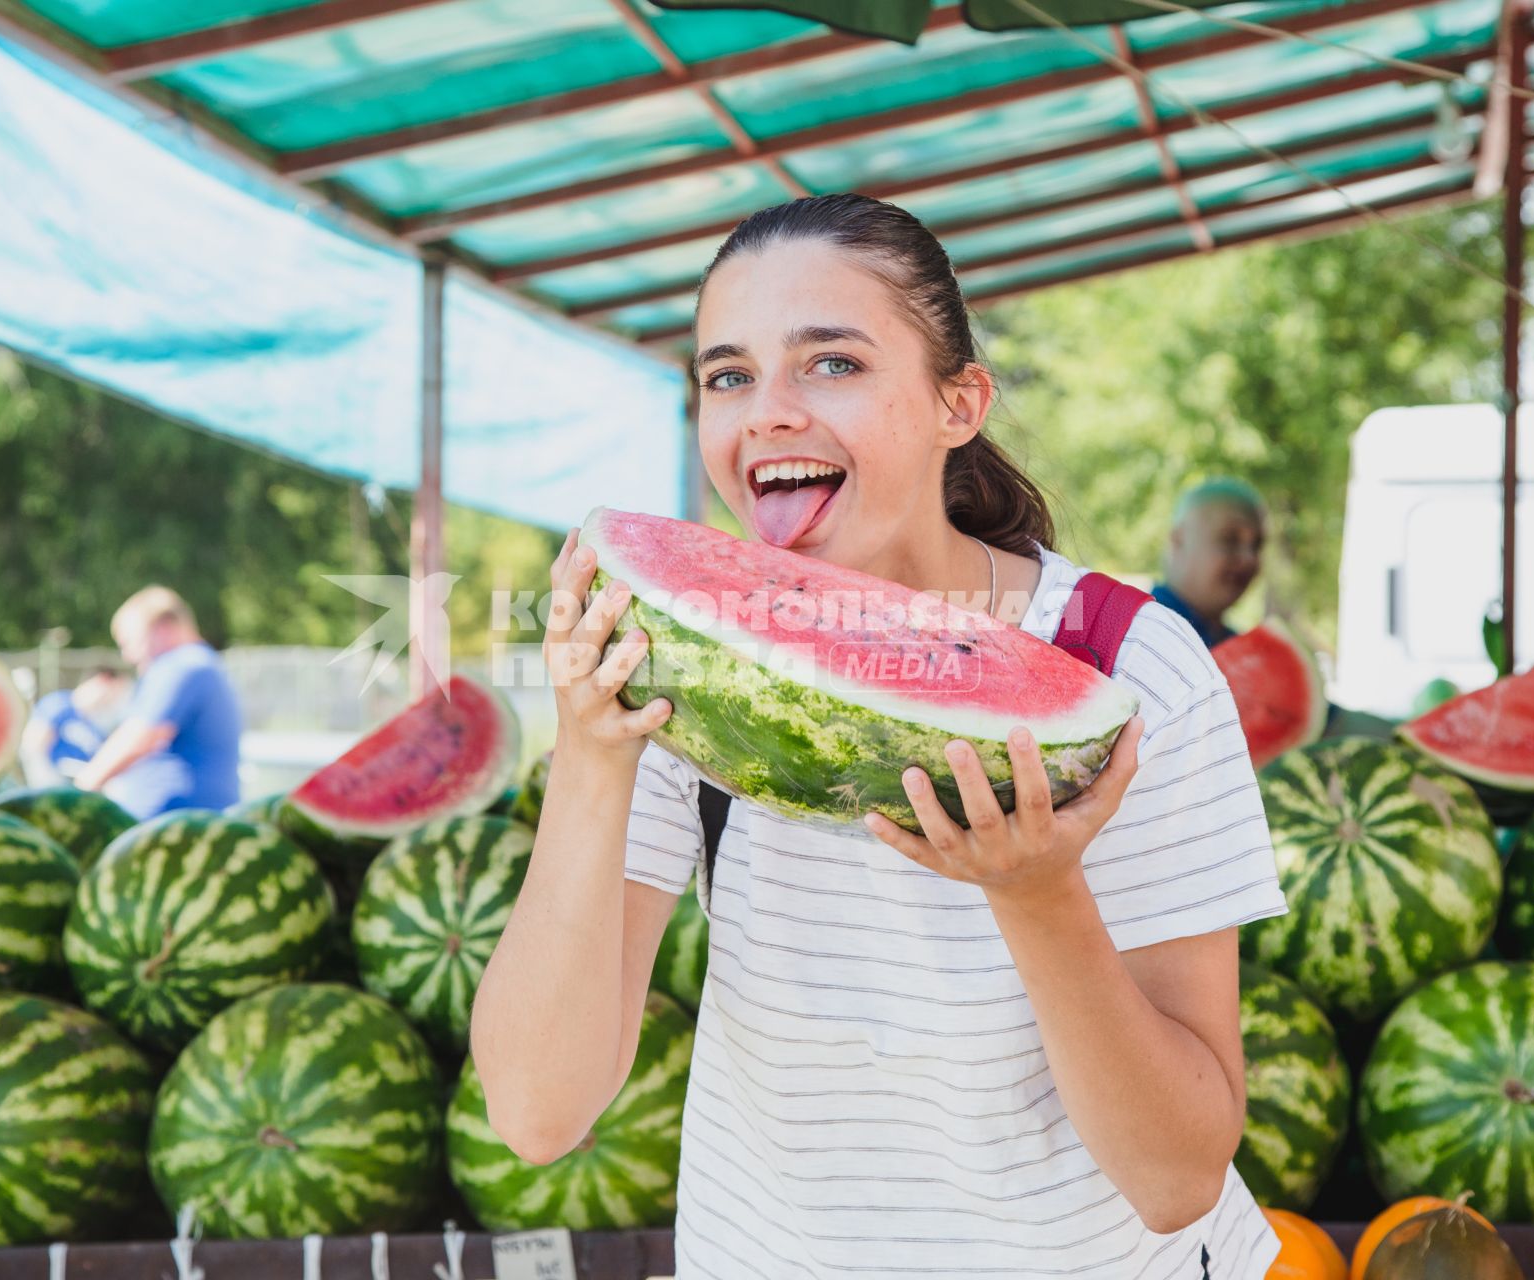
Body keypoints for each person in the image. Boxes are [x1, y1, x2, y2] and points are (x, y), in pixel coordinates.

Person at [471, 195, 1289, 1277]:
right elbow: (536, 1112)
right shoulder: (680, 675)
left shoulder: (1129, 666)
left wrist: (1039, 894)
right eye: (728, 376)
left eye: (832, 364)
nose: (766, 412)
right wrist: (591, 749)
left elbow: (1176, 1177)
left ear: (961, 402)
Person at [75, 586, 241, 818]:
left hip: (177, 826)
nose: (128, 656)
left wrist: (79, 790)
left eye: (130, 642)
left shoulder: (183, 665)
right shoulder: (201, 664)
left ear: (163, 629)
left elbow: (141, 736)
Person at [1152, 477, 1268, 649]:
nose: (1249, 559)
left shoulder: (1238, 647)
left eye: (1257, 545)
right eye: (1230, 539)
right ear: (1179, 540)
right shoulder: (1146, 633)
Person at [19, 667, 130, 788]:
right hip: (56, 787)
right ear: (104, 680)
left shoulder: (96, 727)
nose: (117, 698)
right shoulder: (59, 704)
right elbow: (33, 745)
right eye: (117, 690)